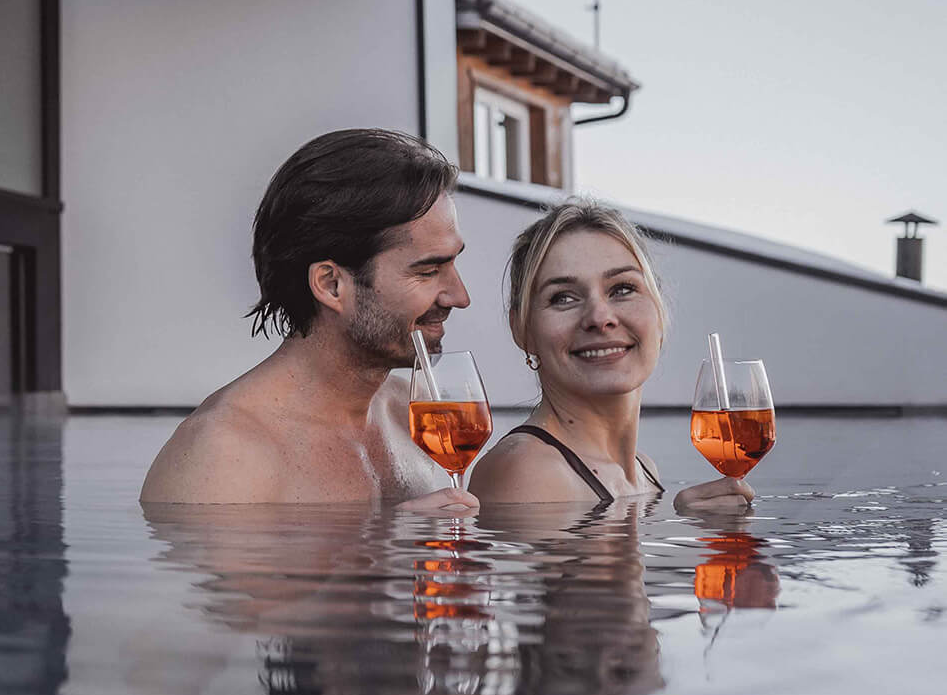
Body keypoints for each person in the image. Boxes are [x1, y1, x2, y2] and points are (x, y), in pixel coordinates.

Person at [141, 128, 478, 510]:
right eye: (428, 271)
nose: (460, 297)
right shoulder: (224, 457)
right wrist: (395, 538)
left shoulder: (411, 416)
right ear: (331, 285)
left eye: (453, 264)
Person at [467, 198, 749, 512]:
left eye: (622, 289)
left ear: (659, 312)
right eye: (563, 298)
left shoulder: (644, 470)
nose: (600, 318)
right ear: (522, 330)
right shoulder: (527, 472)